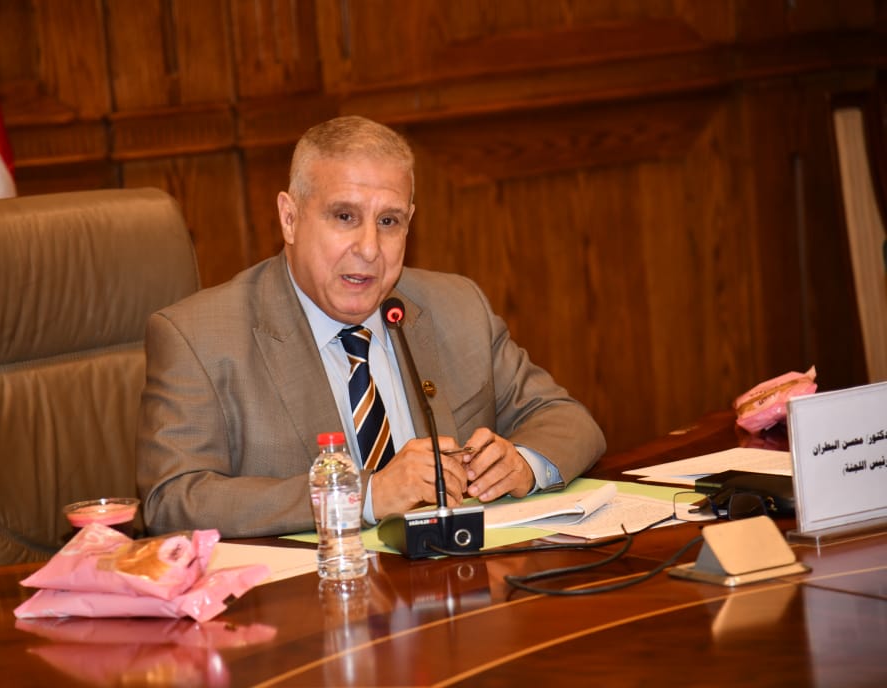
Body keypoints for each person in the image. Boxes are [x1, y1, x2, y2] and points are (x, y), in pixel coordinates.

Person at [136, 115, 605, 538]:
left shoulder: (457, 307)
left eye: (388, 221)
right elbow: (173, 500)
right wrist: (364, 496)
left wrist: (523, 464)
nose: (369, 248)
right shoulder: (198, 338)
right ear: (290, 218)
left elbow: (567, 420)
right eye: (345, 217)